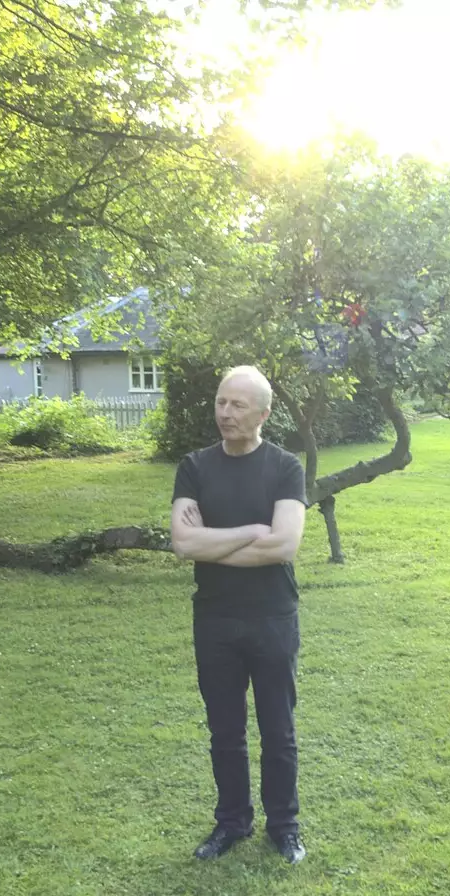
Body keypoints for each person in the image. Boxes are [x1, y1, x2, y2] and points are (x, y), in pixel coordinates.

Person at [170, 365, 309, 863]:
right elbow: (183, 543)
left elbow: (284, 546)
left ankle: (284, 826)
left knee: (278, 730)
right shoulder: (195, 466)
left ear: (263, 414)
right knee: (224, 730)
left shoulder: (285, 468)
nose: (225, 414)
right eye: (221, 402)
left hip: (272, 617)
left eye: (238, 406)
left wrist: (214, 542)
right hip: (215, 618)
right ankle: (232, 823)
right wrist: (253, 529)